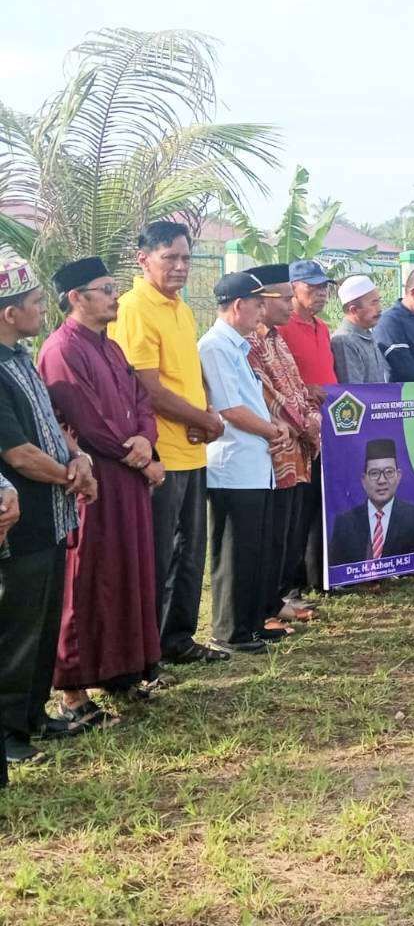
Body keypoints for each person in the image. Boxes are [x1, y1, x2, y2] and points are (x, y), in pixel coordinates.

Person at [39, 257, 163, 726]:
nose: (115, 296)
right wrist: (140, 457)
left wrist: (146, 439)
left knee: (128, 573)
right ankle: (72, 690)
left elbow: (140, 401)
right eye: (106, 288)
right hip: (93, 483)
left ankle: (120, 671)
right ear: (76, 297)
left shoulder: (110, 347)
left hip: (128, 480)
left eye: (114, 287)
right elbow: (85, 420)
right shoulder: (62, 349)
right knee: (88, 578)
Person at [109, 220, 226, 665]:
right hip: (161, 453)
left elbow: (187, 374)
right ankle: (147, 649)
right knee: (159, 556)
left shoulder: (179, 307)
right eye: (170, 258)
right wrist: (201, 418)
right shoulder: (135, 308)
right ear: (144, 259)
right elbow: (146, 389)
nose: (179, 267)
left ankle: (178, 638)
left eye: (185, 258)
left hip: (193, 446)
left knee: (191, 553)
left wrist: (205, 415)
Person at [0, 260, 97, 763]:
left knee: (42, 625)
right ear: (11, 312)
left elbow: (50, 426)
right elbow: (17, 453)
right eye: (36, 304)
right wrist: (68, 475)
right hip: (23, 523)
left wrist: (76, 457)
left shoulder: (21, 357)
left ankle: (34, 715)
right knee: (18, 630)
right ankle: (9, 736)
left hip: (54, 516)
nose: (43, 310)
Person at [199, 272, 291, 653]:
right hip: (232, 465)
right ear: (239, 306)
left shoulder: (237, 346)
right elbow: (230, 408)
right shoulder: (215, 346)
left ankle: (252, 624)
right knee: (235, 551)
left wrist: (275, 428)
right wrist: (272, 431)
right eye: (257, 304)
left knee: (255, 549)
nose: (261, 311)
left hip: (255, 464)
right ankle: (231, 631)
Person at [245, 264, 321, 630]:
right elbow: (269, 396)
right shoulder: (251, 342)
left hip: (299, 451)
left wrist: (311, 419)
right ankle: (263, 608)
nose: (293, 304)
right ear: (263, 301)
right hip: (275, 450)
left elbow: (298, 389)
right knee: (272, 533)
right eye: (287, 298)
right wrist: (307, 425)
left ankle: (276, 600)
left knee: (291, 531)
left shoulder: (277, 338)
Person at [276, 259, 338, 599]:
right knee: (298, 507)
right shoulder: (282, 329)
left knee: (319, 502)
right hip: (296, 428)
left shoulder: (323, 328)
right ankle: (293, 582)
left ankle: (320, 574)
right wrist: (305, 390)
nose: (321, 294)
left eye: (324, 287)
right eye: (312, 287)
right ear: (293, 289)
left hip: (326, 425)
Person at [329, 439, 414, 567]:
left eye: (389, 472)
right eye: (374, 473)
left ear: (398, 476)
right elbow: (337, 569)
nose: (382, 480)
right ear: (363, 480)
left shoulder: (413, 516)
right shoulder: (344, 522)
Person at [331, 275, 389, 384]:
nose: (379, 309)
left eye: (379, 302)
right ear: (354, 310)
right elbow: (353, 391)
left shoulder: (367, 334)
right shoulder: (344, 340)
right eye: (373, 303)